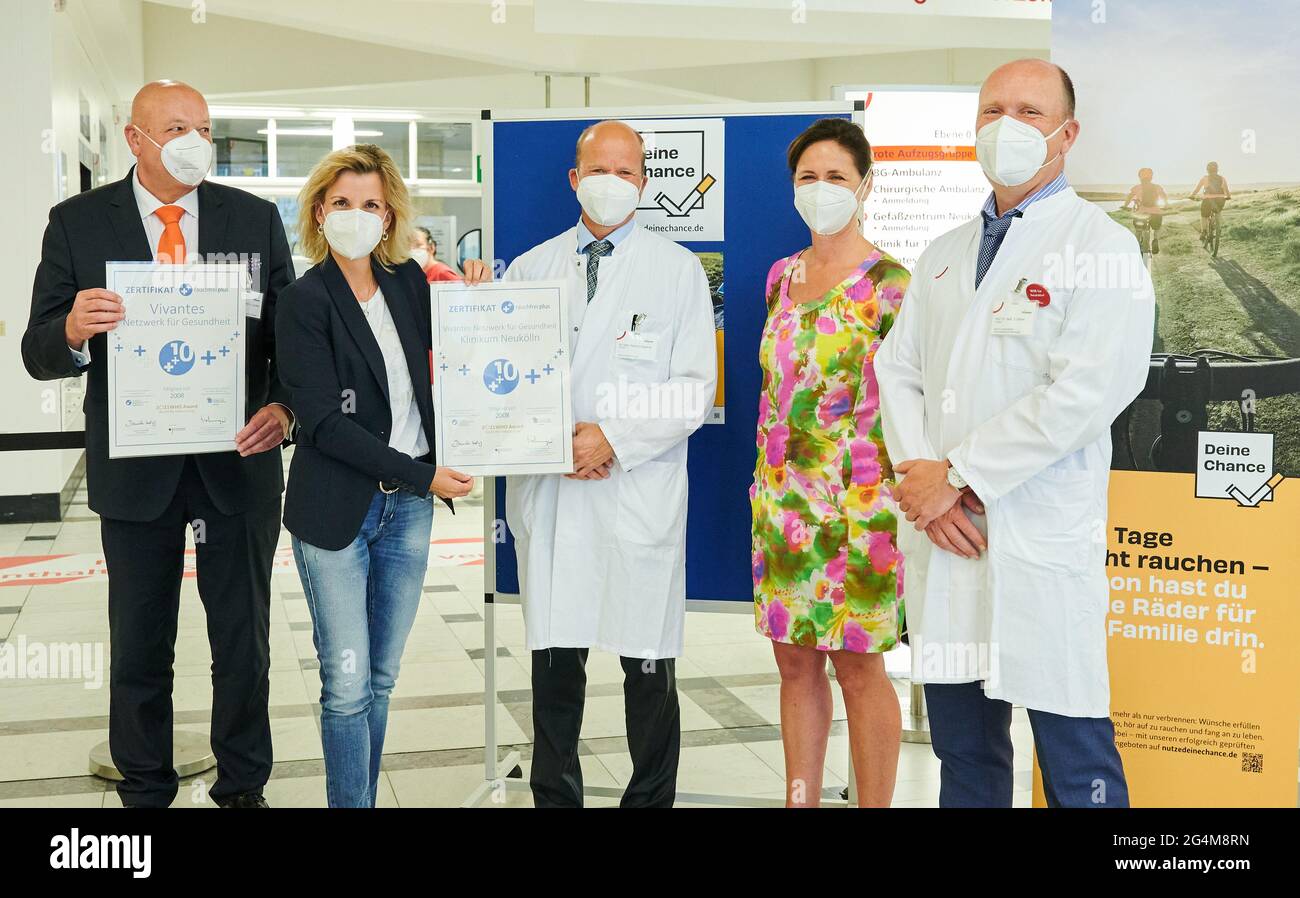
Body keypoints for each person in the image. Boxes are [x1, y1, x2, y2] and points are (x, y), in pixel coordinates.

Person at [874, 59, 1154, 808]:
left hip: (1035, 537)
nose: (1008, 125)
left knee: (1076, 759)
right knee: (965, 756)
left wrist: (958, 475)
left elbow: (1090, 390)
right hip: (950, 537)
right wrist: (926, 486)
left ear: (1068, 133)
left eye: (1030, 112)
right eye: (993, 109)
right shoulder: (942, 255)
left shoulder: (1101, 247)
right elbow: (895, 370)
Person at [22, 80, 291, 809]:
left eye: (204, 126)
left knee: (244, 645)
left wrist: (284, 407)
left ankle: (242, 787)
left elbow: (290, 342)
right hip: (137, 470)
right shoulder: (78, 223)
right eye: (177, 126)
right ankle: (145, 789)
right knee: (141, 647)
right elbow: (37, 349)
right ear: (134, 138)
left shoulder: (255, 219)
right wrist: (73, 330)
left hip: (237, 464)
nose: (195, 139)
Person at [502, 120, 717, 808]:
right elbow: (502, 379)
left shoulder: (676, 270)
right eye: (601, 168)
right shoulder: (530, 269)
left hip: (634, 493)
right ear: (574, 178)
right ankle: (555, 798)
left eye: (628, 171)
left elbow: (695, 388)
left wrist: (613, 439)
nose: (613, 181)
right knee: (555, 672)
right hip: (554, 492)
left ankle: (650, 800)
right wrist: (549, 439)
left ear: (645, 183)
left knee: (647, 673)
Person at [275, 145, 487, 807]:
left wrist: (478, 308)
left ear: (390, 215)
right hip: (338, 513)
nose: (357, 215)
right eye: (343, 203)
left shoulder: (409, 284)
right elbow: (325, 426)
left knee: (383, 678)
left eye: (371, 204)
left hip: (408, 515)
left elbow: (451, 366)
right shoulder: (303, 301)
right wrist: (424, 477)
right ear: (319, 211)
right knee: (347, 686)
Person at [751, 118, 909, 808]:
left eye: (836, 177)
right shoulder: (781, 277)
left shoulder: (894, 285)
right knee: (793, 665)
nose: (821, 190)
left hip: (860, 513)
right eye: (808, 178)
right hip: (781, 505)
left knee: (858, 669)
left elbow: (913, 408)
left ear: (865, 184)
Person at [1122, 168, 1168, 253]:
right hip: (1156, 214)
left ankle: (1136, 244)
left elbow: (1129, 197)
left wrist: (1125, 205)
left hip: (1141, 214)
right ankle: (1155, 239)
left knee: (1138, 230)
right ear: (1151, 177)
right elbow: (1164, 197)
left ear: (1140, 177)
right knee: (1156, 228)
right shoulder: (1157, 187)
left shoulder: (1136, 188)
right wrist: (1166, 205)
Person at [1189, 161, 1231, 233]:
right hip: (1220, 199)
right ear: (1217, 169)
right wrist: (1228, 196)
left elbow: (1197, 189)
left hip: (1208, 200)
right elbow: (1226, 189)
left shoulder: (1205, 178)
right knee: (1218, 212)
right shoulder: (1222, 178)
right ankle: (1218, 226)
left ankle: (1204, 231)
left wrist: (1192, 195)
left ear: (1207, 170)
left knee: (1204, 216)